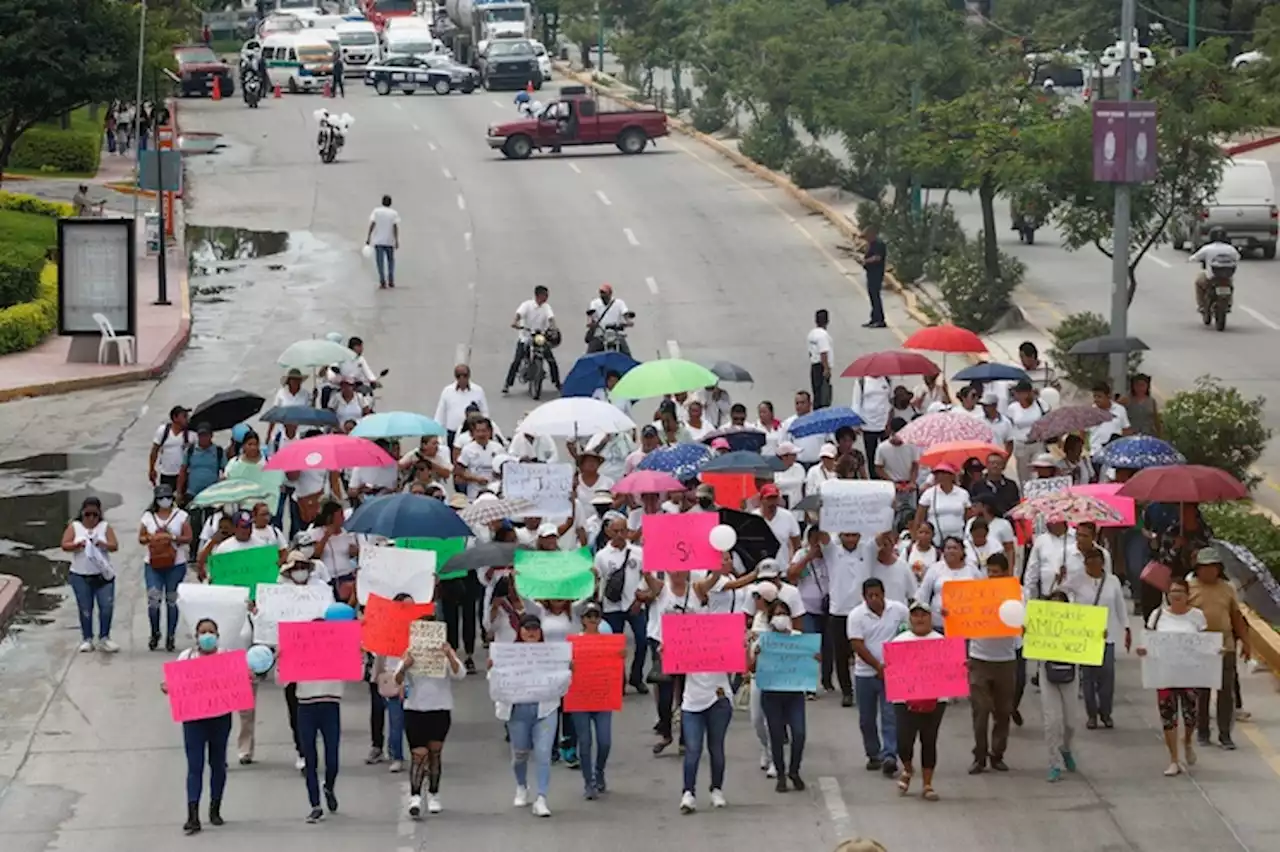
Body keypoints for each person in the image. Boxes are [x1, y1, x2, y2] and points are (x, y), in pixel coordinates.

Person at [162, 618, 234, 834]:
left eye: (211, 632)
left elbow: (236, 681)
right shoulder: (186, 657)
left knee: (218, 763)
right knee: (195, 766)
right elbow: (174, 682)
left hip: (220, 718)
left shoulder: (225, 656)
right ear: (196, 636)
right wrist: (168, 687)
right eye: (203, 632)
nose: (207, 636)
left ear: (218, 635)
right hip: (194, 720)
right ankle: (192, 814)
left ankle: (215, 808)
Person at [493, 614, 563, 818]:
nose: (531, 632)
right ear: (520, 631)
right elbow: (496, 682)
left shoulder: (551, 654)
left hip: (545, 709)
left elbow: (562, 680)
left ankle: (541, 797)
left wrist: (568, 670)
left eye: (535, 628)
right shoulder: (508, 653)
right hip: (518, 712)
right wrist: (493, 668)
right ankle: (521, 785)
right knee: (520, 754)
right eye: (527, 628)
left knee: (543, 753)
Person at [1138, 576, 1209, 775]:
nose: (1176, 596)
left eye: (1180, 592)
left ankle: (1186, 741)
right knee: (1168, 717)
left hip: (1189, 674)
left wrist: (1215, 652)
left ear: (1188, 595)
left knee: (1190, 715)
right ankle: (1174, 759)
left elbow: (1205, 644)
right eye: (1172, 592)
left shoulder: (1197, 616)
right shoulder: (1158, 615)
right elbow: (1148, 640)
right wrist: (1144, 650)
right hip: (1165, 674)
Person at [396, 624, 466, 817]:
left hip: (440, 709)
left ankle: (434, 793)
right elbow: (397, 679)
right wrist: (405, 665)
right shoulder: (409, 653)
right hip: (415, 710)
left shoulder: (444, 654)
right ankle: (415, 796)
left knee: (435, 753)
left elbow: (460, 674)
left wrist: (449, 655)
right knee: (418, 755)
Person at [962, 553, 1019, 774]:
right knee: (981, 710)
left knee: (1003, 711)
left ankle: (998, 753)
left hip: (1005, 660)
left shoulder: (1017, 594)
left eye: (997, 572)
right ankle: (979, 755)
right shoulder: (977, 593)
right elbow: (961, 615)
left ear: (1006, 572)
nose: (993, 576)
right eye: (990, 571)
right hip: (979, 658)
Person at [1188, 546, 1249, 751]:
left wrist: (1246, 642)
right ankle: (1203, 731)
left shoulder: (1227, 588)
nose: (1209, 571)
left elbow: (1236, 617)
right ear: (1198, 568)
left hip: (1225, 645)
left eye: (1213, 567)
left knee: (1226, 692)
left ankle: (1225, 734)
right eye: (1204, 567)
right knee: (1202, 692)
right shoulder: (1189, 586)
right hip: (1200, 646)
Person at [849, 578, 910, 776]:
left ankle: (889, 755)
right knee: (867, 718)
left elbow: (907, 633)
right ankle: (873, 753)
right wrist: (877, 665)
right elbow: (857, 644)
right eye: (870, 596)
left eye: (877, 595)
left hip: (892, 672)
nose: (874, 599)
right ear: (864, 597)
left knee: (890, 715)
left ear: (884, 593)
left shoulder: (899, 610)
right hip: (865, 673)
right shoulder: (856, 616)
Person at [1064, 547, 1129, 729]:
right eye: (1089, 563)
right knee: (1088, 677)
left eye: (1096, 563)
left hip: (1106, 634)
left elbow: (1120, 605)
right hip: (1085, 635)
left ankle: (1106, 712)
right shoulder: (1077, 580)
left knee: (1107, 675)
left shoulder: (1113, 581)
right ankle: (1091, 714)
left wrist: (1126, 628)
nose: (1092, 567)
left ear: (1102, 564)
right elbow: (1058, 596)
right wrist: (1059, 579)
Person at [889, 600, 946, 799]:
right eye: (915, 615)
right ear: (910, 618)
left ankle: (928, 784)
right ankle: (907, 768)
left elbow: (950, 670)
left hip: (935, 699)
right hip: (904, 699)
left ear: (931, 618)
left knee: (929, 739)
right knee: (904, 741)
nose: (919, 618)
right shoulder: (899, 641)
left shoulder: (941, 641)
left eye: (923, 615)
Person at [290, 616, 345, 823]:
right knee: (310, 758)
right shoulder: (300, 654)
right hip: (306, 707)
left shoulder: (337, 653)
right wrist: (283, 660)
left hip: (330, 706)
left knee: (332, 758)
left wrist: (357, 656)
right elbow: (281, 681)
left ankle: (329, 786)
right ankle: (314, 804)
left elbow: (356, 674)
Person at [753, 598, 811, 791]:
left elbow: (810, 663)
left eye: (784, 614)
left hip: (794, 694)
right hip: (771, 695)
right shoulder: (764, 640)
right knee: (776, 735)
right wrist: (757, 655)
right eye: (777, 615)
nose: (781, 618)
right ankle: (780, 774)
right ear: (770, 620)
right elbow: (750, 667)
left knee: (800, 733)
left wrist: (814, 656)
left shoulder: (798, 638)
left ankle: (794, 770)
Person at [572, 601, 618, 798]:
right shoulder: (574, 641)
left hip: (602, 696)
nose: (592, 620)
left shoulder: (607, 640)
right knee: (585, 741)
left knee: (605, 741)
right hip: (581, 697)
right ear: (582, 620)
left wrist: (620, 655)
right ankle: (588, 782)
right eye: (588, 616)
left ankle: (599, 770)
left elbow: (614, 666)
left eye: (595, 616)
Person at [61, 497, 120, 652]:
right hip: (81, 575)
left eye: (95, 514)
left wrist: (103, 544)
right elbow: (64, 544)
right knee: (85, 608)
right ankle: (87, 638)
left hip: (103, 575)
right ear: (82, 513)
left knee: (106, 607)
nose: (91, 518)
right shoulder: (75, 526)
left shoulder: (105, 527)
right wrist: (76, 545)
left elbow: (115, 545)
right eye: (88, 514)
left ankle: (104, 637)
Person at [139, 484, 193, 652]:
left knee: (172, 601)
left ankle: (170, 636)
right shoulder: (148, 517)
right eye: (162, 498)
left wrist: (173, 537)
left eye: (168, 497)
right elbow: (141, 538)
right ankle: (155, 632)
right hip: (153, 564)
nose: (165, 501)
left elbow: (189, 537)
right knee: (153, 600)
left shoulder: (181, 516)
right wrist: (152, 538)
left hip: (175, 564)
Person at [1039, 589, 1080, 782]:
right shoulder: (1041, 624)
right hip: (1048, 673)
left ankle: (1066, 748)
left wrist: (1099, 636)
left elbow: (1088, 640)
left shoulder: (1075, 625)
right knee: (1051, 721)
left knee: (1070, 722)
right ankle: (1053, 762)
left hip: (1070, 673)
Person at [504, 285, 561, 393]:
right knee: (517, 360)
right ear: (538, 295)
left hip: (540, 337)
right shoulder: (527, 305)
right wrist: (515, 322)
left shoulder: (546, 307)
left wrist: (554, 327)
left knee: (551, 360)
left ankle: (557, 382)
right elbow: (519, 314)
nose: (546, 297)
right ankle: (508, 383)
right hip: (526, 337)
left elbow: (551, 319)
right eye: (545, 295)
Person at [1189, 226, 1241, 311]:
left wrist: (1190, 260)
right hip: (1227, 277)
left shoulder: (1207, 248)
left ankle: (1201, 305)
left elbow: (1194, 258)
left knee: (1198, 282)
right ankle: (1228, 303)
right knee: (1230, 285)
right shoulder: (1231, 249)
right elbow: (1238, 257)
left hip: (1211, 277)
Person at [585, 283, 634, 355]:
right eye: (601, 293)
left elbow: (625, 314)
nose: (602, 295)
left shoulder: (619, 303)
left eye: (604, 293)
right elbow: (591, 314)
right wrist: (590, 323)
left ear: (610, 294)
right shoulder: (595, 303)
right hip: (600, 334)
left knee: (627, 354)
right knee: (589, 355)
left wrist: (628, 322)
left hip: (615, 334)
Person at [365, 194, 400, 289]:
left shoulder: (376, 212)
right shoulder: (394, 213)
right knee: (390, 261)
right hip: (389, 240)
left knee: (380, 262)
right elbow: (395, 227)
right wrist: (396, 240)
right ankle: (391, 279)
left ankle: (382, 281)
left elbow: (372, 224)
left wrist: (368, 237)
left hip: (378, 241)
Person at [807, 308, 834, 408]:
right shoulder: (823, 335)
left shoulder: (812, 334)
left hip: (814, 366)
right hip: (821, 367)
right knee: (823, 396)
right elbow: (823, 353)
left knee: (817, 393)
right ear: (827, 321)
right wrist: (826, 368)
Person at [860, 227, 887, 328]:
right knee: (872, 295)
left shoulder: (879, 244)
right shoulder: (871, 244)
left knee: (875, 296)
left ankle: (880, 319)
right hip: (871, 273)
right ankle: (874, 318)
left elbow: (877, 257)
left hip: (876, 273)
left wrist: (866, 261)